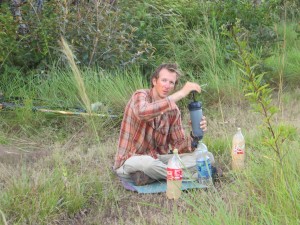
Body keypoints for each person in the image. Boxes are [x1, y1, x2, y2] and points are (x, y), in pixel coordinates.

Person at [113, 63, 208, 186]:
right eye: (164, 80)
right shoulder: (140, 95)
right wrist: (181, 93)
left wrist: (195, 134)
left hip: (157, 159)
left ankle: (153, 175)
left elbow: (178, 146)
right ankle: (194, 175)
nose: (167, 86)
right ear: (154, 81)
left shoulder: (173, 110)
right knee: (148, 164)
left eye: (171, 83)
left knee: (205, 154)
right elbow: (143, 112)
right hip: (130, 160)